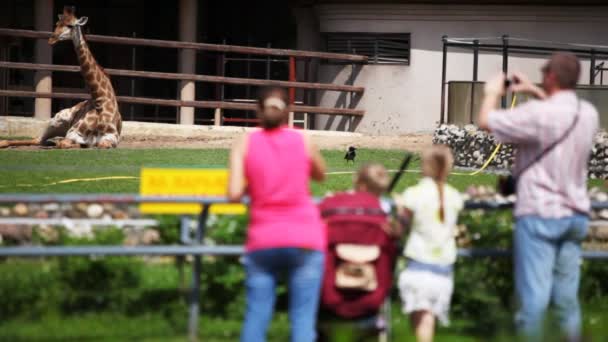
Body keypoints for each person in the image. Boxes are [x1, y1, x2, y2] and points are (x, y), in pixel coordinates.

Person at [478, 52, 599, 340]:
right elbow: (558, 116)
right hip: (575, 216)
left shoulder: (538, 114)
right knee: (567, 301)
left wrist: (492, 92)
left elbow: (486, 121)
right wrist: (533, 90)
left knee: (534, 299)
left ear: (552, 77)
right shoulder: (588, 113)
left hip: (539, 214)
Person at [227, 87, 327, 342]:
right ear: (287, 113)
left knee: (257, 315)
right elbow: (320, 174)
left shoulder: (245, 142)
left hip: (263, 238)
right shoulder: (302, 139)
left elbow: (234, 193)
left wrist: (254, 184)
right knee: (303, 320)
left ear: (258, 110)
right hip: (305, 237)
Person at [394, 145, 464, 342]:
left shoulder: (413, 194)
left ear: (425, 166)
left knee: (422, 324)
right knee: (426, 322)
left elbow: (399, 229)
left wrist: (400, 209)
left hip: (419, 267)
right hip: (443, 271)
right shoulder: (454, 195)